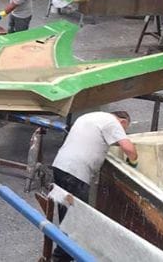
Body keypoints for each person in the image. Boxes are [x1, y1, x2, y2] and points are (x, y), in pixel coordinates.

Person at [51, 111, 138, 261]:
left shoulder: (90, 116)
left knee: (68, 217)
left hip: (60, 167)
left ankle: (63, 256)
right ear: (123, 123)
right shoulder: (113, 122)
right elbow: (129, 148)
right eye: (124, 130)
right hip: (75, 174)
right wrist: (133, 164)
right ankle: (61, 257)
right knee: (78, 219)